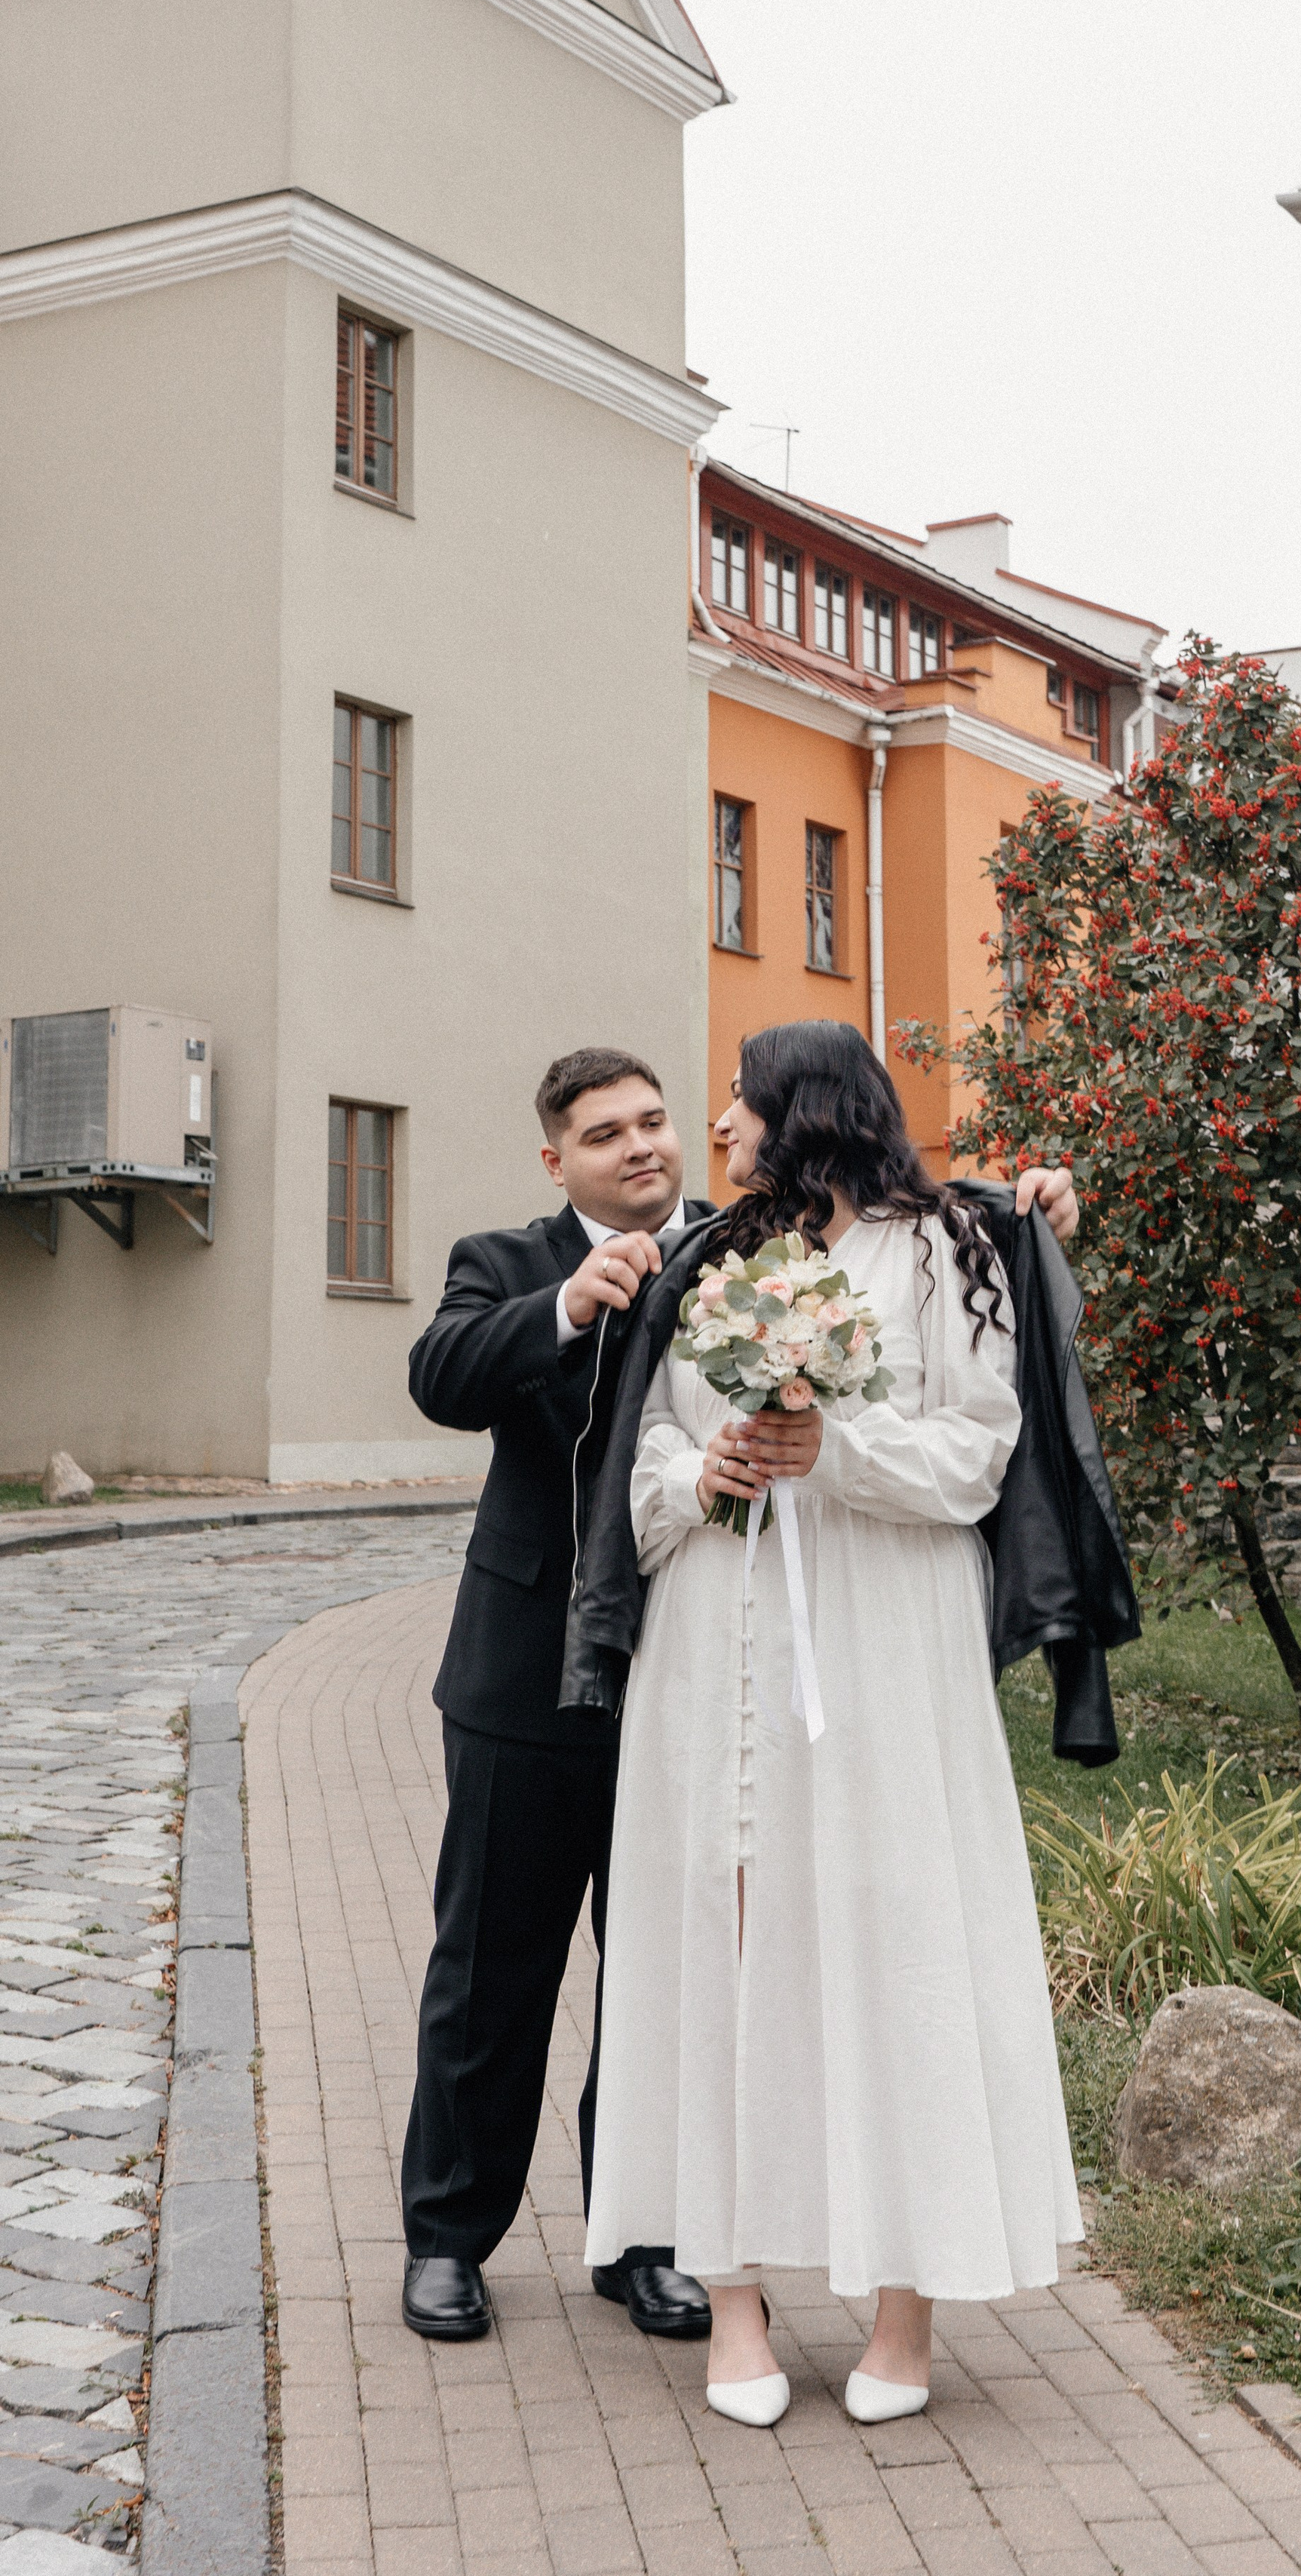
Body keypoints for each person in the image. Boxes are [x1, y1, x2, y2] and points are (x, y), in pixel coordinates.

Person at [400, 1045, 1078, 2346]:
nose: (649, 1143)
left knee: (675, 1960)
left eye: (659, 1120)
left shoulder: (737, 1244)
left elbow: (899, 1212)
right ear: (560, 1162)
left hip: (712, 1677)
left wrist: (1034, 1199)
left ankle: (652, 2238)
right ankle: (449, 2238)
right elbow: (442, 1374)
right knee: (494, 1967)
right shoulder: (510, 1261)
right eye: (610, 1134)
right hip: (535, 1677)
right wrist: (572, 1306)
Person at [582, 1021, 1090, 2430]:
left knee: (893, 1929)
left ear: (800, 1111)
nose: (718, 1129)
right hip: (720, 1637)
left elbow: (976, 1457)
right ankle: (733, 2304)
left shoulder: (946, 1256)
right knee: (728, 1937)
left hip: (884, 1635)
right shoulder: (710, 1262)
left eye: (737, 1105)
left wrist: (836, 1446)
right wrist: (717, 1468)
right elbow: (647, 1463)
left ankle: (905, 2308)